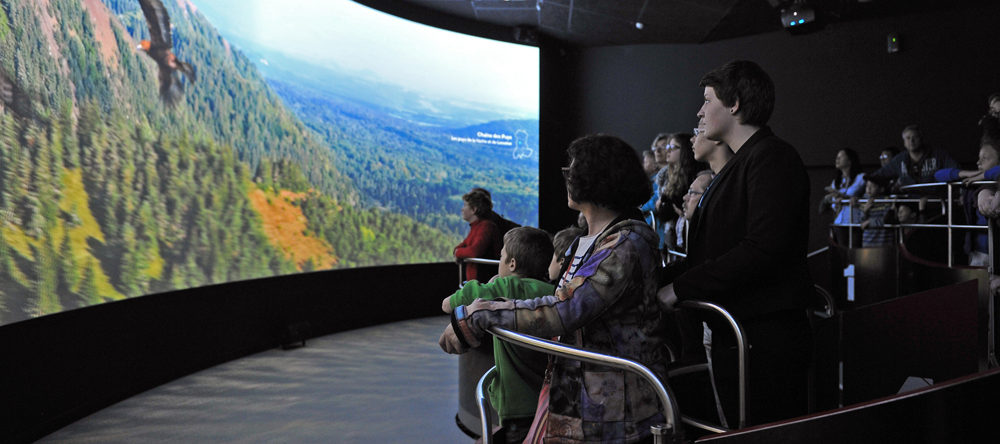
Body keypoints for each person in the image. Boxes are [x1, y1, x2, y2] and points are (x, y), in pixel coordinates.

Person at [440, 134, 667, 443]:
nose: (566, 178)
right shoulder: (591, 241)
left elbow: (567, 308)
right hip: (584, 399)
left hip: (614, 412)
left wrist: (478, 314)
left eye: (571, 170)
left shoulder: (625, 244)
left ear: (595, 179)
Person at [658, 60, 813, 427]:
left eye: (708, 99)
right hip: (742, 335)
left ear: (735, 104)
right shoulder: (744, 162)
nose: (700, 109)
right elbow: (711, 253)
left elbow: (763, 248)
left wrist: (678, 287)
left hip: (765, 340)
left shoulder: (772, 157)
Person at [442, 227, 555, 443]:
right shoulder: (550, 291)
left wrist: (449, 302)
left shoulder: (508, 287)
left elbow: (467, 295)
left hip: (517, 406)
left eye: (501, 256)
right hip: (547, 400)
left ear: (512, 264)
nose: (499, 260)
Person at [934, 140, 1000, 265]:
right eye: (979, 158)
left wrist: (985, 175)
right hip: (977, 250)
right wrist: (970, 174)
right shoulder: (973, 183)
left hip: (996, 250)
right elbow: (938, 175)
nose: (978, 162)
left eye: (985, 158)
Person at [869, 124, 958, 190]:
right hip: (910, 202)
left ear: (921, 139)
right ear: (904, 142)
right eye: (908, 138)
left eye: (915, 137)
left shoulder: (939, 155)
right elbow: (879, 175)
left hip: (936, 200)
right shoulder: (900, 160)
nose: (911, 141)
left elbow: (956, 170)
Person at [454, 189, 502, 282]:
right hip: (478, 282)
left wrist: (457, 253)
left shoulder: (486, 227)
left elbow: (474, 251)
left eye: (465, 205)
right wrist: (458, 250)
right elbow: (462, 246)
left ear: (474, 209)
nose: (462, 209)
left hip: (484, 283)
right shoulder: (476, 227)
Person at [823, 149, 865, 247]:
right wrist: (835, 202)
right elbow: (834, 204)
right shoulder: (836, 182)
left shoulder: (861, 178)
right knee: (842, 251)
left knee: (855, 250)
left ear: (850, 160)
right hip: (840, 222)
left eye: (840, 157)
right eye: (837, 157)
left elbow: (861, 194)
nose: (837, 159)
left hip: (855, 221)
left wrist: (841, 196)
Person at [858, 175, 896, 247]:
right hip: (867, 241)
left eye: (872, 186)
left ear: (881, 189)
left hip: (883, 242)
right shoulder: (864, 201)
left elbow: (887, 220)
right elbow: (861, 223)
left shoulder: (886, 201)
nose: (868, 189)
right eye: (867, 186)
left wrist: (870, 222)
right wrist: (865, 211)